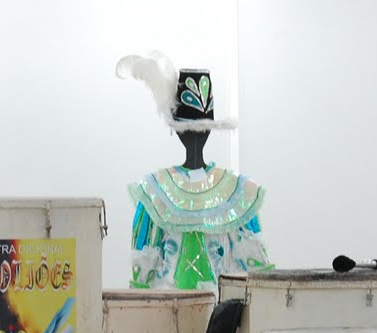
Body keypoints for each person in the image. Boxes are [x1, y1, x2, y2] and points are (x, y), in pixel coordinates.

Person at [116, 52, 272, 289]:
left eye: (202, 130)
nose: (196, 138)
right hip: (170, 305)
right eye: (189, 131)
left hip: (220, 306)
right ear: (178, 133)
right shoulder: (156, 191)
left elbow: (254, 273)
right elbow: (144, 277)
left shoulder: (235, 191)